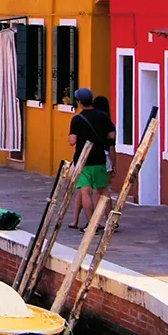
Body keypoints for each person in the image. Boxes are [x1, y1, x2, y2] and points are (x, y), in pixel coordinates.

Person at [67, 87, 116, 231]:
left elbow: (72, 141)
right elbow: (111, 135)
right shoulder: (103, 116)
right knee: (104, 191)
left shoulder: (77, 119)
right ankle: (110, 222)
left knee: (85, 192)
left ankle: (92, 225)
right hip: (99, 158)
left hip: (83, 161)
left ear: (80, 102)